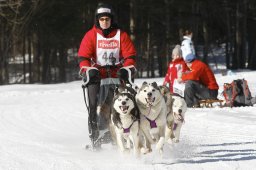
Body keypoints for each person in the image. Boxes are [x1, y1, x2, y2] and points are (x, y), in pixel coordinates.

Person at [77, 3, 137, 149]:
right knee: (93, 106)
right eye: (102, 19)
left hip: (116, 73)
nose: (104, 21)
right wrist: (88, 70)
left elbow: (130, 56)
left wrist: (126, 68)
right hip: (97, 74)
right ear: (97, 20)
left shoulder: (121, 35)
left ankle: (123, 135)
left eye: (107, 19)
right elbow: (83, 57)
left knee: (121, 104)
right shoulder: (91, 35)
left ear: (111, 19)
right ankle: (95, 138)